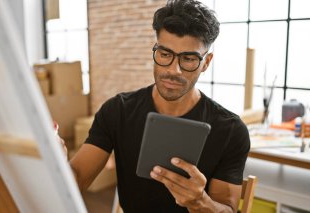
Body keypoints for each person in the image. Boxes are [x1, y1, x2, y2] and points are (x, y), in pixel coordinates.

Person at [68, 0, 250, 212]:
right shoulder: (118, 111)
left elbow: (227, 208)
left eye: (189, 59)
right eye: (165, 55)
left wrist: (200, 202)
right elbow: (78, 177)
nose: (174, 70)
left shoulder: (230, 130)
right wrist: (54, 162)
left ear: (206, 62)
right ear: (155, 51)